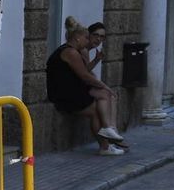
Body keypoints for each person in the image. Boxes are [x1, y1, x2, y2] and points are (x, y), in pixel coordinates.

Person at [47, 18, 126, 156]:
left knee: (102, 102)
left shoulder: (72, 51)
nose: (88, 41)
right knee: (101, 101)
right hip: (64, 95)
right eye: (86, 37)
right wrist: (104, 86)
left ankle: (108, 138)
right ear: (77, 38)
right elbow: (85, 75)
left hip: (70, 91)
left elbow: (84, 74)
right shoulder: (71, 52)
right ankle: (107, 138)